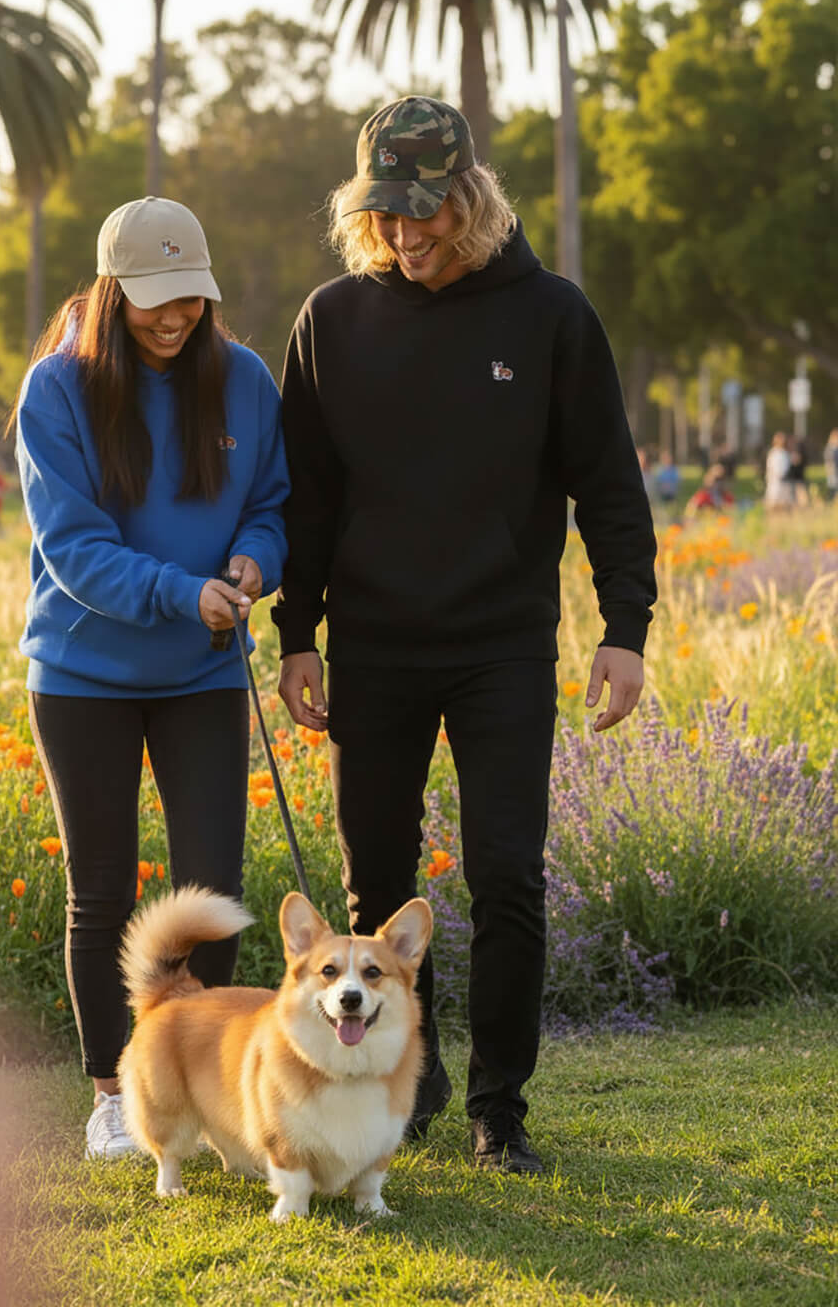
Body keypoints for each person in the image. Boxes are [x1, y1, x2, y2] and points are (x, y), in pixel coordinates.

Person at [272, 96, 657, 1177]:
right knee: (376, 890)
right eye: (386, 214)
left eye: (426, 211)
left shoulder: (551, 317)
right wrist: (296, 633)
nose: (406, 234)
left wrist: (624, 628)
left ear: (472, 198)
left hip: (503, 644)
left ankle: (500, 1109)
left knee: (507, 879)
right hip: (374, 645)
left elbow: (608, 485)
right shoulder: (332, 321)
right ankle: (417, 1077)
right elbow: (307, 499)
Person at [13, 196, 289, 1160]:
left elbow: (272, 504)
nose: (175, 317)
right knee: (102, 887)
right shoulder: (57, 388)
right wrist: (182, 592)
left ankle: (204, 1084)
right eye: (154, 298)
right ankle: (111, 1095)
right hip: (82, 674)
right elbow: (75, 549)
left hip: (203, 671)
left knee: (213, 883)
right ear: (112, 290)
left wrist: (256, 560)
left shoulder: (244, 379)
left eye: (190, 296)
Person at [764, 431, 792, 512]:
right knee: (773, 501)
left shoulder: (784, 452)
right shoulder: (774, 453)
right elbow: (773, 468)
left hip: (784, 480)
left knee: (784, 502)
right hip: (775, 481)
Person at [784, 434, 809, 507]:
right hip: (795, 478)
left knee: (801, 497)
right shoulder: (795, 450)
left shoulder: (798, 450)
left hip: (798, 478)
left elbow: (798, 462)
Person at [653, 448, 680, 514]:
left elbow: (677, 482)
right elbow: (658, 482)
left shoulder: (674, 470)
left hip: (671, 493)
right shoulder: (660, 470)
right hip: (662, 493)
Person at [824, 428, 838, 503]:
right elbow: (829, 462)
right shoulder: (830, 448)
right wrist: (831, 472)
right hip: (833, 472)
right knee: (833, 488)